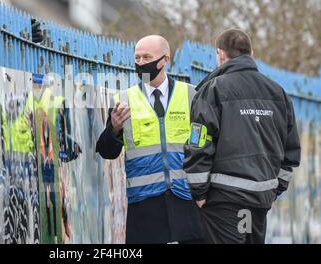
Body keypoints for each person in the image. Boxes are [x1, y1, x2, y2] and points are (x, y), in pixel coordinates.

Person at [183, 29, 301, 244]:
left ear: (219, 54)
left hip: (223, 200)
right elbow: (291, 152)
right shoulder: (278, 93)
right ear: (251, 53)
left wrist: (199, 194)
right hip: (260, 200)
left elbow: (198, 142)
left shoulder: (214, 89)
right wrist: (274, 190)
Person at [96, 35, 203, 244]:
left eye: (147, 57)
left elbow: (203, 141)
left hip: (185, 200)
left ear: (165, 60)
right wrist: (115, 129)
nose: (141, 63)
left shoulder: (190, 94)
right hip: (144, 205)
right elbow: (106, 151)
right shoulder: (123, 100)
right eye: (137, 58)